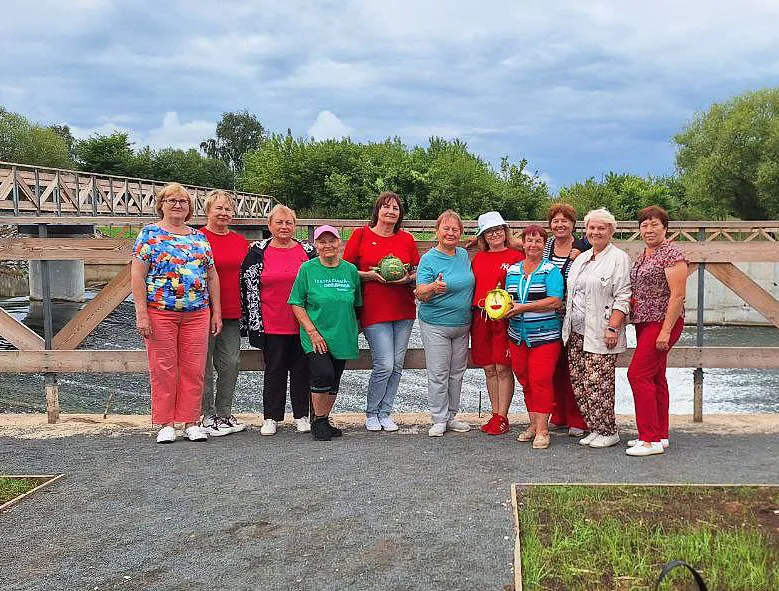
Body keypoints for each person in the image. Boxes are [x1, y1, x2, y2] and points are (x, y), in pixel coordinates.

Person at [131, 183, 222, 444]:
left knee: (194, 369)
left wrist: (216, 311)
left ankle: (191, 421)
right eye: (172, 200)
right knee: (163, 368)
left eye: (183, 201)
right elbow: (137, 275)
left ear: (189, 208)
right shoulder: (149, 234)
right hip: (160, 312)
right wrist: (141, 314)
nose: (178, 205)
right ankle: (166, 423)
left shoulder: (199, 237)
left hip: (197, 312)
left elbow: (211, 275)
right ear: (161, 205)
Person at [343, 192, 419, 432]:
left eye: (395, 208)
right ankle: (371, 412)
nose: (390, 212)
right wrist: (370, 276)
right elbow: (345, 270)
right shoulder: (361, 235)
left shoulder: (406, 239)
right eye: (386, 207)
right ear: (377, 211)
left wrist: (407, 278)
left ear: (400, 214)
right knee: (384, 364)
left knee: (396, 365)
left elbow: (417, 271)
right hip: (374, 309)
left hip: (403, 308)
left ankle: (386, 412)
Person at [241, 204, 316, 436]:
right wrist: (248, 321)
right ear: (269, 225)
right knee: (274, 370)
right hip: (271, 321)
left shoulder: (308, 251)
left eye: (289, 222)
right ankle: (271, 417)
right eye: (279, 222)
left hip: (303, 323)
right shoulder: (258, 251)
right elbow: (246, 286)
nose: (284, 226)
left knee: (302, 370)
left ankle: (302, 415)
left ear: (295, 225)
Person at [562, 208, 632, 449]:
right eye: (591, 227)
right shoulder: (582, 258)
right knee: (580, 382)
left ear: (611, 230)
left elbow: (623, 295)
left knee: (598, 383)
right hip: (575, 331)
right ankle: (594, 427)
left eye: (601, 228)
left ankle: (608, 430)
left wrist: (613, 327)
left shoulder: (618, 258)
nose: (595, 232)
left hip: (601, 330)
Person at [288, 225, 362, 441]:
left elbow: (357, 303)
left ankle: (324, 419)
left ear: (339, 243)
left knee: (335, 377)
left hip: (342, 333)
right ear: (316, 245)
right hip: (316, 334)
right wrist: (312, 332)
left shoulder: (350, 270)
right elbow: (296, 302)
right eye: (322, 241)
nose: (327, 245)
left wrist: (355, 329)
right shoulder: (307, 269)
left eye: (331, 241)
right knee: (323, 374)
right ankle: (318, 421)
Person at [626, 206, 688, 457]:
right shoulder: (645, 254)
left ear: (665, 227)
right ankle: (660, 434)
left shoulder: (672, 254)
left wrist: (665, 331)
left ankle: (648, 439)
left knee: (637, 374)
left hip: (662, 322)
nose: (649, 229)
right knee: (655, 377)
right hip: (644, 322)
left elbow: (678, 295)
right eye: (644, 225)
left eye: (655, 224)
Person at [414, 210, 475, 437]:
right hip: (436, 324)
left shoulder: (463, 254)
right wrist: (433, 287)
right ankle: (438, 418)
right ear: (437, 231)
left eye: (455, 229)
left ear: (461, 233)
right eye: (446, 228)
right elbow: (420, 292)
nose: (450, 233)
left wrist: (477, 239)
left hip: (462, 324)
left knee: (457, 373)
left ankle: (451, 415)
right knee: (439, 373)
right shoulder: (428, 259)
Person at [504, 225, 564, 449]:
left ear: (544, 244)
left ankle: (543, 429)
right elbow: (507, 298)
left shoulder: (550, 270)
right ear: (523, 243)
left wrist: (523, 308)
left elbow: (555, 300)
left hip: (544, 336)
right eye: (529, 240)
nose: (533, 245)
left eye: (538, 241)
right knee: (525, 380)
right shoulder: (513, 270)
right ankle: (533, 423)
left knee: (541, 380)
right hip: (517, 335)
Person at [199, 190, 250, 436]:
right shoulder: (198, 238)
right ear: (208, 210)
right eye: (218, 208)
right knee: (203, 365)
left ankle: (224, 413)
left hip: (231, 311)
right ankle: (206, 415)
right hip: (201, 310)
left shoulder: (240, 241)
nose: (224, 213)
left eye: (228, 209)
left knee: (231, 362)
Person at [470, 211, 524, 436]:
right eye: (489, 231)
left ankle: (503, 415)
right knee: (489, 367)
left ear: (505, 231)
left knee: (503, 367)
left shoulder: (515, 257)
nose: (494, 234)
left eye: (498, 230)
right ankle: (494, 413)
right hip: (480, 315)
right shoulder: (478, 258)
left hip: (504, 317)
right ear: (483, 236)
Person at [543, 203, 589, 437]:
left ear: (573, 224)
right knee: (555, 366)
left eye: (565, 221)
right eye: (555, 221)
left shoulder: (584, 246)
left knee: (575, 367)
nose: (560, 225)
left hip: (575, 316)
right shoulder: (547, 245)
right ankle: (558, 414)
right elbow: (521, 244)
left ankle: (577, 418)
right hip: (550, 315)